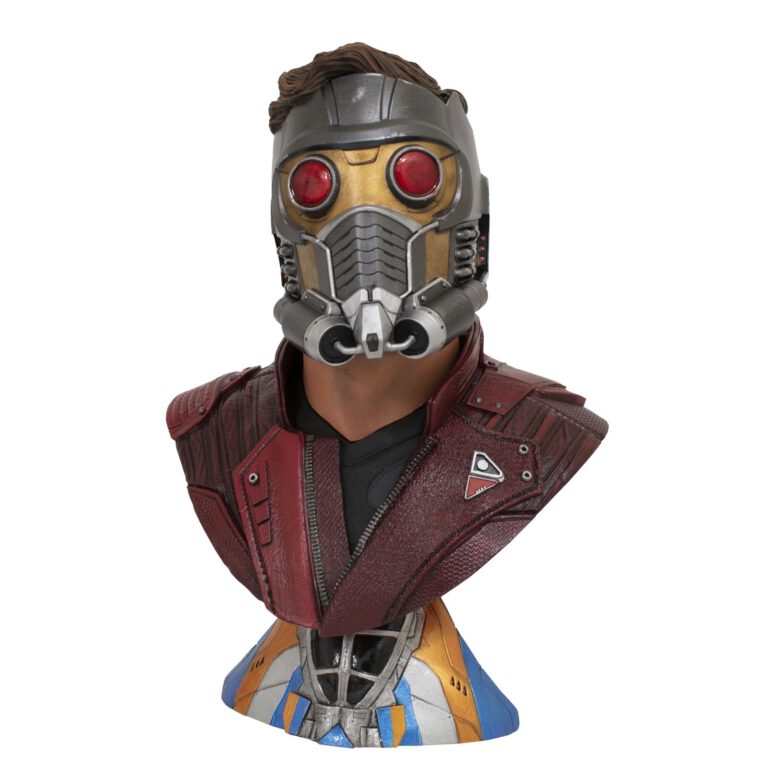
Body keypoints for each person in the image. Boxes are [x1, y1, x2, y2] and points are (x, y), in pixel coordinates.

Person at [166, 42, 608, 748]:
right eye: (317, 186)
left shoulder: (542, 438)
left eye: (413, 179)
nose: (364, 231)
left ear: (473, 211)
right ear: (283, 220)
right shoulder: (215, 429)